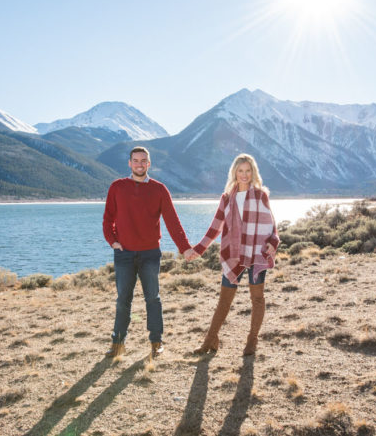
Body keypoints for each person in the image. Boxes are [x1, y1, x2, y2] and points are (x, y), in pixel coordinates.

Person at [102, 146, 199, 358]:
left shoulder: (159, 189)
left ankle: (156, 342)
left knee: (153, 299)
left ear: (149, 163)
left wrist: (184, 248)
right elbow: (108, 218)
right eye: (135, 160)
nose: (139, 164)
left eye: (143, 160)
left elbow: (172, 221)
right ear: (129, 163)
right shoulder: (117, 187)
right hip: (124, 254)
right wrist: (113, 242)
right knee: (122, 300)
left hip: (150, 254)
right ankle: (117, 343)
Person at [191, 153, 279, 356]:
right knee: (224, 299)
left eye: (248, 171)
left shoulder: (260, 195)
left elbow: (272, 225)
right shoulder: (227, 198)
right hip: (234, 254)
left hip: (257, 252)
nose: (244, 175)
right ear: (235, 173)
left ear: (253, 172)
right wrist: (199, 249)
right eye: (241, 171)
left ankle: (252, 341)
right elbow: (215, 227)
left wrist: (273, 242)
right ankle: (210, 340)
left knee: (257, 298)